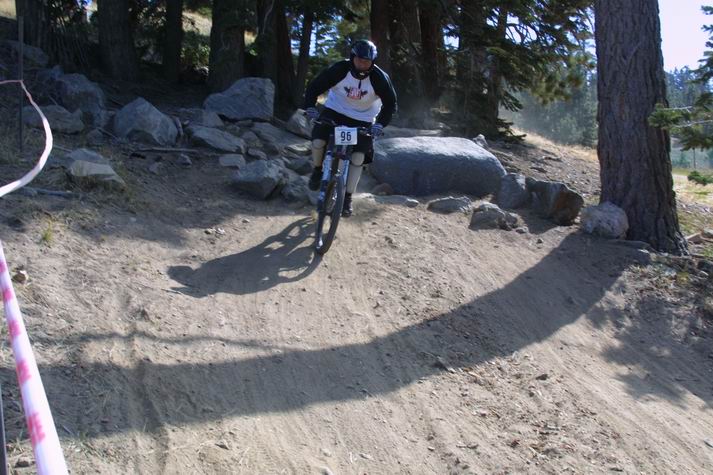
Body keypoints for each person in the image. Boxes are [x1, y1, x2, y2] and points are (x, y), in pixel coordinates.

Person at [303, 39, 397, 217]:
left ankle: (347, 197)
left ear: (373, 62)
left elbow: (390, 104)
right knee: (318, 141)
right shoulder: (339, 69)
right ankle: (317, 170)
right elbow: (314, 87)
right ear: (352, 57)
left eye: (367, 61)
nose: (362, 64)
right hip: (335, 111)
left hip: (363, 119)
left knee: (358, 157)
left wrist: (379, 124)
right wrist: (310, 107)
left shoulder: (379, 78)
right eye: (359, 60)